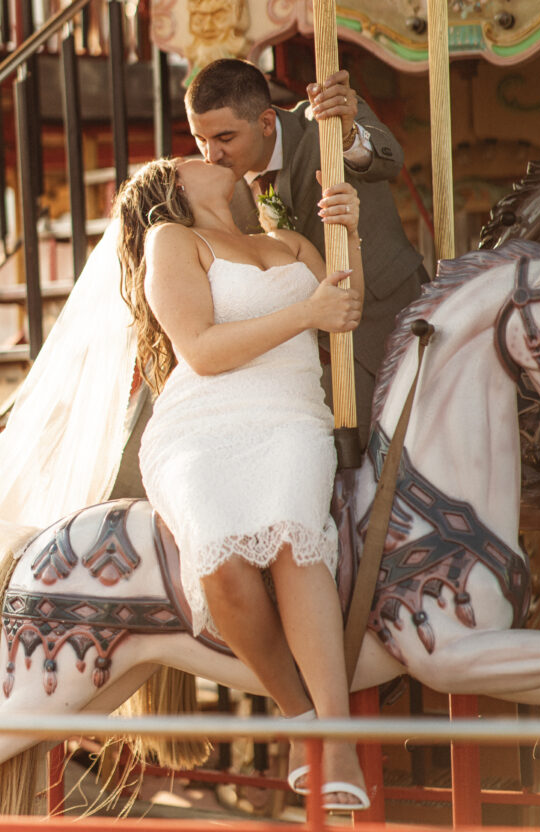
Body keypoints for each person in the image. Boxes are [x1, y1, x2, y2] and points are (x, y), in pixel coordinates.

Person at [116, 155, 369, 811]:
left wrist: (352, 231)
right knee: (221, 559)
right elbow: (199, 350)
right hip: (200, 425)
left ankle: (337, 741)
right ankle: (297, 716)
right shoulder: (174, 240)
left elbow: (344, 311)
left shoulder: (286, 241)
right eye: (190, 154)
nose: (209, 154)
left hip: (289, 417)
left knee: (292, 535)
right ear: (173, 186)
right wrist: (304, 313)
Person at [184, 57, 427, 450]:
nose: (211, 155)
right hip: (310, 352)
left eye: (224, 138)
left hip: (391, 315)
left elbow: (386, 160)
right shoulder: (217, 190)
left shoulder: (325, 121)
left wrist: (348, 137)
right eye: (200, 140)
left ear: (265, 122)